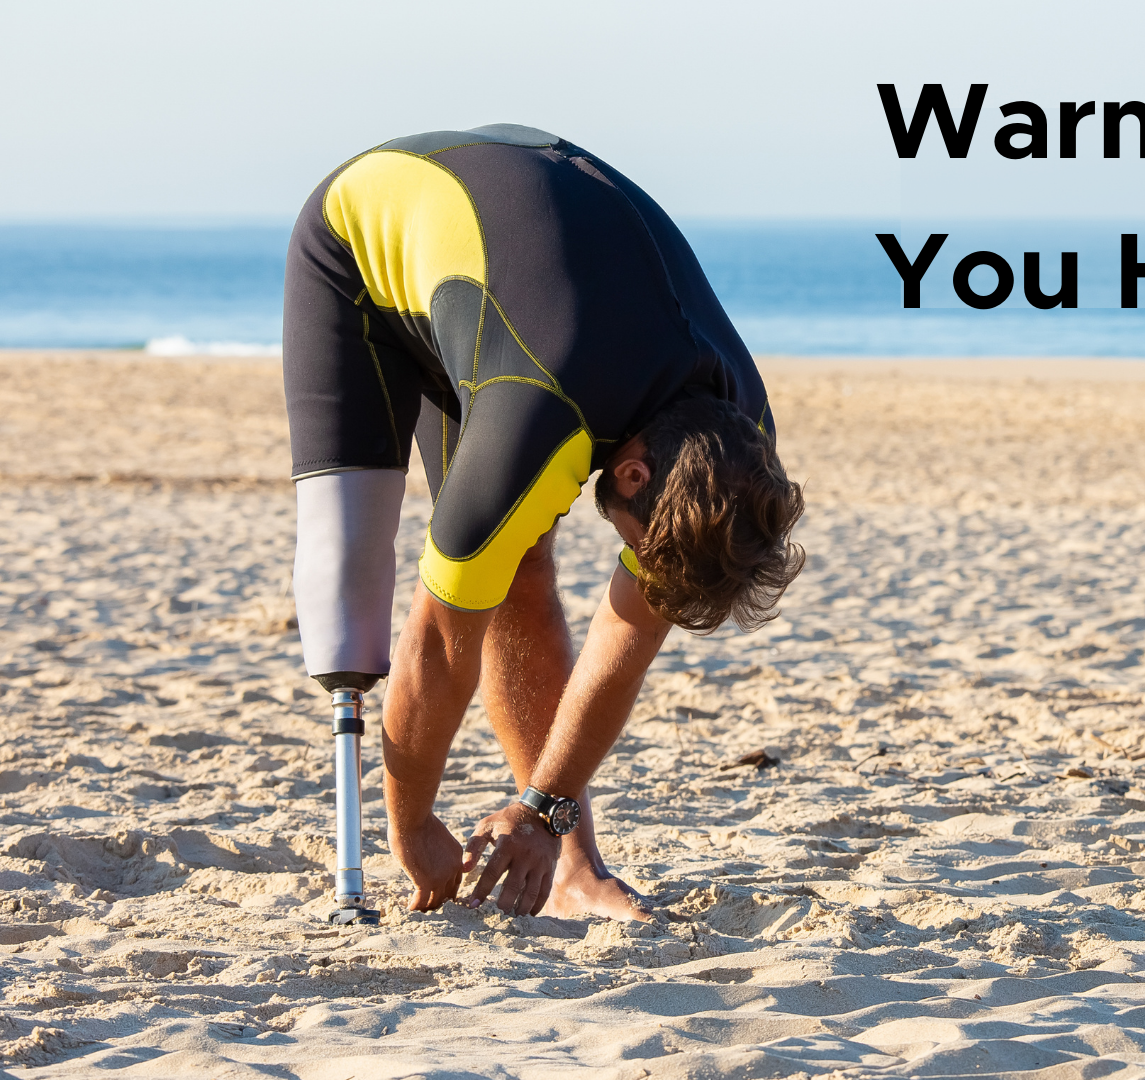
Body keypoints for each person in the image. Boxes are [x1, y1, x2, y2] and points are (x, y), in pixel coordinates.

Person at [282, 125, 805, 920]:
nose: (635, 568)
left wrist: (542, 809)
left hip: (530, 275)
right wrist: (414, 822)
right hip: (361, 248)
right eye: (638, 550)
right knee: (368, 554)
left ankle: (572, 866)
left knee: (520, 563)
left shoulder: (741, 451)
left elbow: (623, 648)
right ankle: (437, 835)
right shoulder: (542, 420)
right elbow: (435, 642)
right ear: (631, 473)